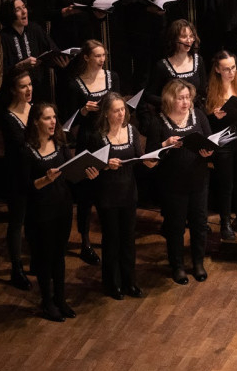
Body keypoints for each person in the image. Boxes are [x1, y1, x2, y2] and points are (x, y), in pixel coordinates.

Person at [23, 102, 99, 322]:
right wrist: (45, 179)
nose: (53, 122)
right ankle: (47, 302)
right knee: (45, 257)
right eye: (47, 118)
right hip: (40, 210)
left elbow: (70, 172)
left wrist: (87, 173)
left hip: (62, 206)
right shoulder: (26, 150)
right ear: (36, 121)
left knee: (59, 255)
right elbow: (24, 186)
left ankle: (60, 298)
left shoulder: (59, 142)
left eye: (54, 117)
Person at [146, 79, 213, 285]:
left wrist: (208, 151)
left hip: (198, 180)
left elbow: (210, 140)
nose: (185, 102)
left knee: (199, 223)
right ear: (169, 99)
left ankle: (198, 263)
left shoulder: (198, 115)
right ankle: (177, 266)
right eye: (180, 98)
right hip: (172, 183)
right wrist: (165, 144)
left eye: (187, 98)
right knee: (175, 227)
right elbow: (150, 154)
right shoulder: (158, 122)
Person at [66, 40, 121, 265]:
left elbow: (118, 104)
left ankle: (112, 235)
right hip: (88, 140)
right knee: (86, 193)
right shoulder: (75, 84)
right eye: (97, 56)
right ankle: (85, 242)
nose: (102, 59)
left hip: (109, 137)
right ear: (86, 57)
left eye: (103, 55)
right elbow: (68, 121)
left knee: (109, 187)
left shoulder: (112, 77)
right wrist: (83, 111)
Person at [91, 92, 150, 300]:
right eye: (116, 111)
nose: (121, 114)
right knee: (111, 239)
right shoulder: (97, 136)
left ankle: (129, 281)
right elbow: (91, 166)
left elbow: (138, 157)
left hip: (128, 192)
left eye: (123, 109)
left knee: (128, 239)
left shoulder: (131, 130)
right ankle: (112, 283)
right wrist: (106, 165)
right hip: (107, 193)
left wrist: (151, 159)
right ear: (106, 113)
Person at [206, 51, 237, 241]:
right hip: (223, 141)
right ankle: (225, 221)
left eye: (233, 68)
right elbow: (206, 120)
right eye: (226, 69)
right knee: (225, 183)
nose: (231, 72)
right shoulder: (211, 89)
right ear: (217, 70)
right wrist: (214, 116)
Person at [141, 19, 207, 133]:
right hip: (170, 117)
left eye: (191, 36)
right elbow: (149, 95)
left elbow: (202, 89)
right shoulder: (162, 66)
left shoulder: (199, 60)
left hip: (193, 115)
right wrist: (171, 102)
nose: (189, 40)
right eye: (184, 36)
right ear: (174, 39)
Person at [1, 68, 34, 290]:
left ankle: (36, 260)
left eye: (30, 84)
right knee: (17, 221)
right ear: (14, 90)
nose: (29, 89)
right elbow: (21, 147)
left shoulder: (35, 109)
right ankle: (16, 268)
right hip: (17, 176)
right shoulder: (8, 117)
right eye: (23, 86)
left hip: (35, 173)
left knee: (34, 219)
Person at [0, 0, 64, 101]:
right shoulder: (2, 38)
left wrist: (60, 60)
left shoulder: (35, 29)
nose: (24, 11)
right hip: (14, 93)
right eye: (18, 9)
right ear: (9, 14)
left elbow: (52, 50)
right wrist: (20, 66)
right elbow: (0, 73)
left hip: (39, 87)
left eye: (24, 7)